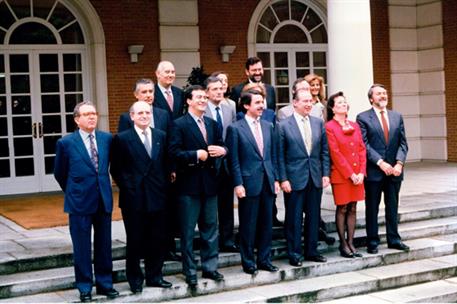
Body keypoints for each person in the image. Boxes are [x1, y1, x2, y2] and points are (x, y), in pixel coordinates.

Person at [54, 101, 118, 302]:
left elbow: (111, 167)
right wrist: (75, 190)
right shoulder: (66, 143)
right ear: (76, 119)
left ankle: (105, 284)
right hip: (79, 201)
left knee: (104, 245)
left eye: (94, 113)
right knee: (81, 247)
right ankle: (84, 287)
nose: (91, 117)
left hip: (103, 199)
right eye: (86, 114)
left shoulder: (107, 139)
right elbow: (60, 173)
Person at [111, 101, 172, 293]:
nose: (144, 116)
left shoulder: (161, 136)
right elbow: (117, 170)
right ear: (132, 116)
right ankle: (135, 279)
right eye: (140, 113)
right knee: (136, 240)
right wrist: (130, 188)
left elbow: (165, 164)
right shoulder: (121, 138)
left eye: (147, 112)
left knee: (158, 238)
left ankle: (155, 276)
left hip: (158, 196)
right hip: (134, 198)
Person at [169, 85, 227, 287]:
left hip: (210, 184)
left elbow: (222, 144)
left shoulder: (212, 124)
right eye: (199, 97)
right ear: (188, 101)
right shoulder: (179, 124)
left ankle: (210, 268)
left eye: (205, 97)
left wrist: (223, 150)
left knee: (211, 229)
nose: (203, 100)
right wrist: (195, 155)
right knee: (187, 231)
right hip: (188, 186)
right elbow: (173, 153)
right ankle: (190, 271)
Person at [117, 78, 179, 262]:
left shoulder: (163, 114)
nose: (148, 95)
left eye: (151, 92)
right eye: (144, 92)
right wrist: (129, 184)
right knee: (139, 225)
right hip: (138, 182)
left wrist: (172, 169)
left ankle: (167, 250)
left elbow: (170, 145)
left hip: (159, 180)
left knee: (163, 218)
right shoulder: (126, 117)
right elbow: (124, 151)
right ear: (136, 95)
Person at [226, 89, 280, 275]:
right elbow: (233, 160)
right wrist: (238, 183)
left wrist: (276, 179)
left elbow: (272, 155)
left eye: (262, 102)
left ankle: (264, 259)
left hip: (267, 181)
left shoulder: (268, 126)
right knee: (248, 225)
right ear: (246, 105)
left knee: (266, 224)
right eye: (257, 102)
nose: (262, 106)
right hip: (248, 183)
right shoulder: (235, 128)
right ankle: (248, 261)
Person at [277, 78, 335, 245]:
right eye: (305, 101)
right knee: (294, 218)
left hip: (315, 177)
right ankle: (294, 252)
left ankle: (312, 250)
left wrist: (326, 174)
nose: (309, 104)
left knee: (313, 216)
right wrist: (283, 179)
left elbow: (324, 151)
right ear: (295, 103)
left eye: (310, 101)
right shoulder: (284, 125)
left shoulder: (318, 123)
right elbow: (280, 155)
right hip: (294, 179)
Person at [356, 84, 409, 254]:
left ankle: (394, 239)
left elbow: (403, 143)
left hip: (395, 171)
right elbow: (364, 145)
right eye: (379, 94)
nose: (383, 96)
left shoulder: (397, 116)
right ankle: (372, 241)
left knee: (392, 206)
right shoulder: (363, 118)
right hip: (374, 172)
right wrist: (381, 163)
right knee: (372, 207)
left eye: (384, 93)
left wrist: (399, 163)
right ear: (371, 98)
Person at [325, 92, 366, 258]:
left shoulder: (354, 125)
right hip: (341, 175)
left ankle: (351, 242)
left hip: (358, 174)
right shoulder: (329, 127)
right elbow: (335, 153)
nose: (343, 104)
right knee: (342, 208)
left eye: (344, 102)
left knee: (353, 208)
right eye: (339, 103)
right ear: (333, 108)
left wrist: (362, 172)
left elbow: (362, 149)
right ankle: (343, 244)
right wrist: (350, 174)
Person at [203, 76, 238, 252]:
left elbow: (232, 135)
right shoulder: (201, 109)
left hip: (226, 162)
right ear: (207, 92)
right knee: (209, 206)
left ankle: (228, 239)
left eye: (220, 88)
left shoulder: (229, 108)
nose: (218, 92)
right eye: (214, 89)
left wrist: (226, 151)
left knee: (226, 204)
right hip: (207, 164)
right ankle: (211, 242)